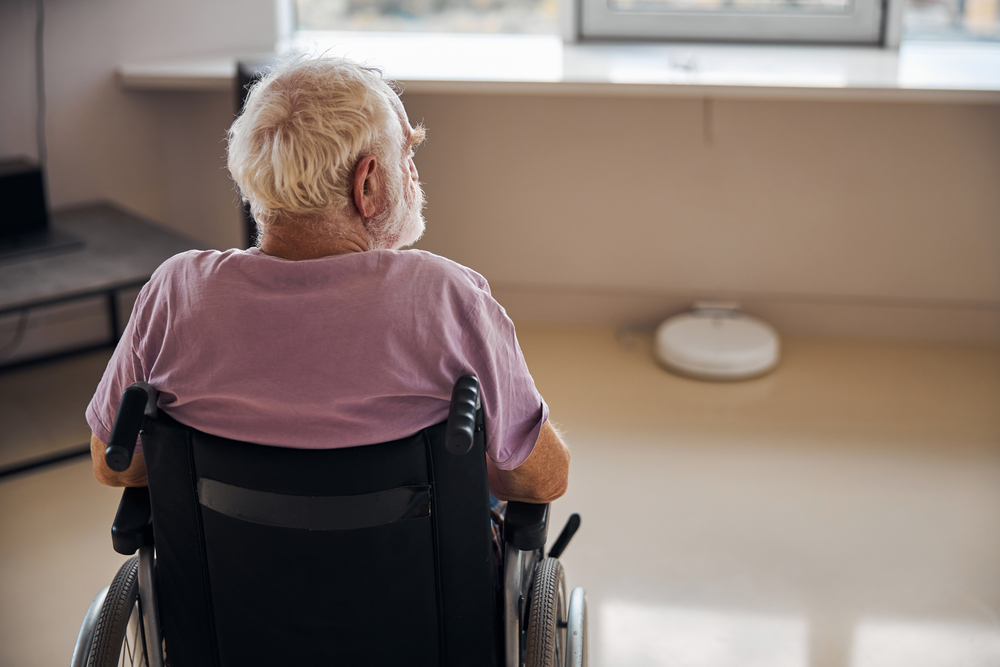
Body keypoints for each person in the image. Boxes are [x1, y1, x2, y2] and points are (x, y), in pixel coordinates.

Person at [86, 56, 570, 506]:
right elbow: (544, 479)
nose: (415, 176)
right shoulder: (447, 297)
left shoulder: (176, 291)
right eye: (407, 157)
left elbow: (113, 464)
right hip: (413, 588)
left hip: (231, 587)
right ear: (368, 184)